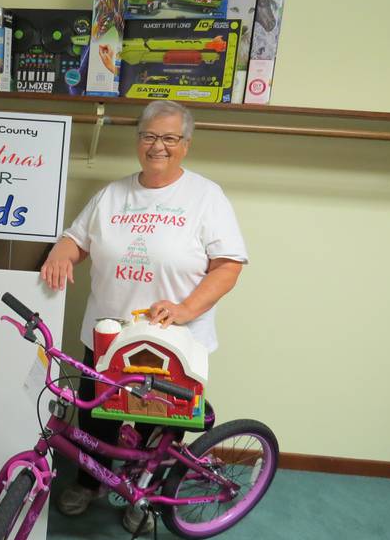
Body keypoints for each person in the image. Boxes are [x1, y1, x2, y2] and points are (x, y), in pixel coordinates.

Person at [40, 100, 247, 535]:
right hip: (106, 337)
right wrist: (62, 251)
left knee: (159, 426)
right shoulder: (112, 194)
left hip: (171, 342)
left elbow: (228, 265)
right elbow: (77, 240)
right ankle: (90, 482)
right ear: (138, 141)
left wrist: (185, 308)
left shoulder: (206, 197)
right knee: (96, 417)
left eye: (170, 138)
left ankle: (147, 495)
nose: (159, 146)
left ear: (185, 145)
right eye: (150, 136)